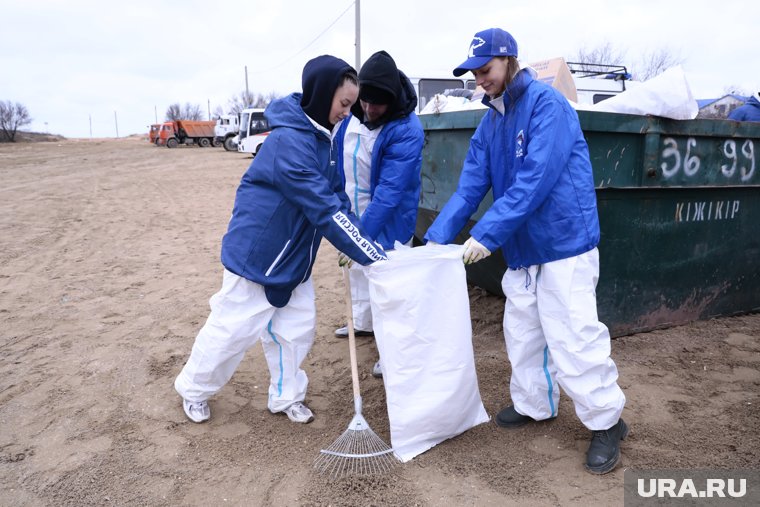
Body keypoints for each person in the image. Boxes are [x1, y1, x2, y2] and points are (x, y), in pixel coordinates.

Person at [424, 28, 628, 474]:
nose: (480, 79)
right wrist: (434, 242)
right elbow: (469, 188)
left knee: (572, 335)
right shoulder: (490, 123)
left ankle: (607, 421)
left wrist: (486, 236)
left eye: (486, 70)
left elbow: (534, 181)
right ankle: (536, 404)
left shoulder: (546, 105)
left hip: (562, 241)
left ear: (509, 60)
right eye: (475, 73)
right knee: (523, 331)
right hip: (523, 246)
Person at [174, 55, 387, 425]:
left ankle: (286, 396)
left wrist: (360, 242)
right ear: (322, 95)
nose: (348, 113)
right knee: (231, 331)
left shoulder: (326, 140)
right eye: (344, 103)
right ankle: (194, 389)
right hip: (258, 258)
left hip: (295, 259)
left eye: (351, 105)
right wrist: (372, 256)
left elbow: (338, 199)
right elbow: (324, 209)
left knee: (295, 330)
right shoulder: (291, 143)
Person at [332, 50, 424, 378]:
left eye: (377, 104)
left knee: (390, 282)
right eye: (364, 102)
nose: (368, 109)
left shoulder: (407, 129)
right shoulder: (356, 110)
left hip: (388, 218)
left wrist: (356, 238)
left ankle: (395, 352)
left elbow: (388, 195)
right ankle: (363, 323)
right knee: (358, 274)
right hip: (355, 209)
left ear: (392, 100)